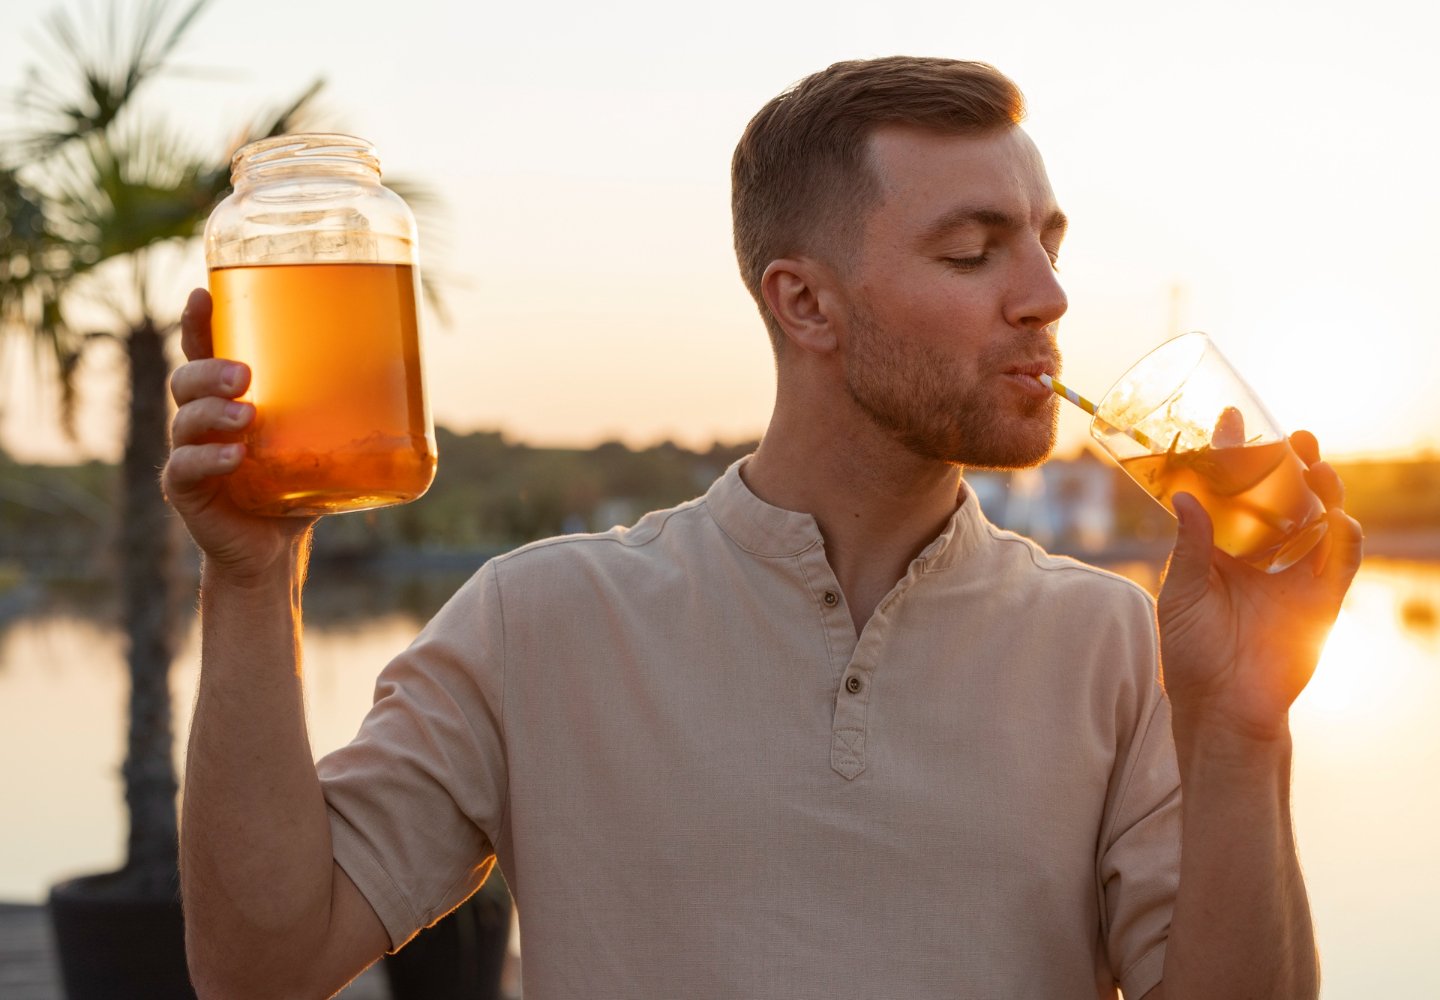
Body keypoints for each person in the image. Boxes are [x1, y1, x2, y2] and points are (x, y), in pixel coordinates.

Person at [166, 56, 1362, 999]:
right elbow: (262, 967)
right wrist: (251, 579)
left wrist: (1244, 730)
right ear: (803, 302)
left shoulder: (1125, 646)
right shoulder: (540, 622)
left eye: (1047, 244)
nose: (1046, 298)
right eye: (974, 249)